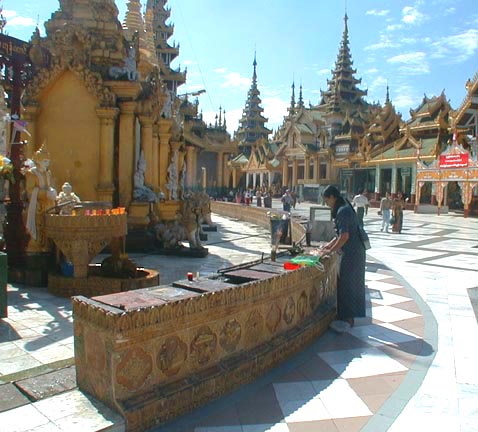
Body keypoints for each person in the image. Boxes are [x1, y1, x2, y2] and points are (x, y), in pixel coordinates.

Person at [320, 185, 366, 332]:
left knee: (347, 284)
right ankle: (347, 317)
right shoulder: (344, 208)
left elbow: (344, 236)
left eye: (327, 201)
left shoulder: (342, 211)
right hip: (354, 251)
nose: (327, 204)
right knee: (348, 283)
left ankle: (347, 320)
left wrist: (330, 251)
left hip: (351, 253)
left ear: (332, 197)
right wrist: (328, 247)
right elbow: (339, 235)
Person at [25, 143, 58, 252]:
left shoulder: (47, 173)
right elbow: (30, 191)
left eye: (48, 161)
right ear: (38, 161)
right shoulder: (32, 173)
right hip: (37, 205)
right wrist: (45, 194)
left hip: (48, 206)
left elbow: (48, 187)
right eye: (44, 161)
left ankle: (47, 249)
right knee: (38, 228)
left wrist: (51, 191)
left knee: (47, 229)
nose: (47, 163)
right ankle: (36, 249)